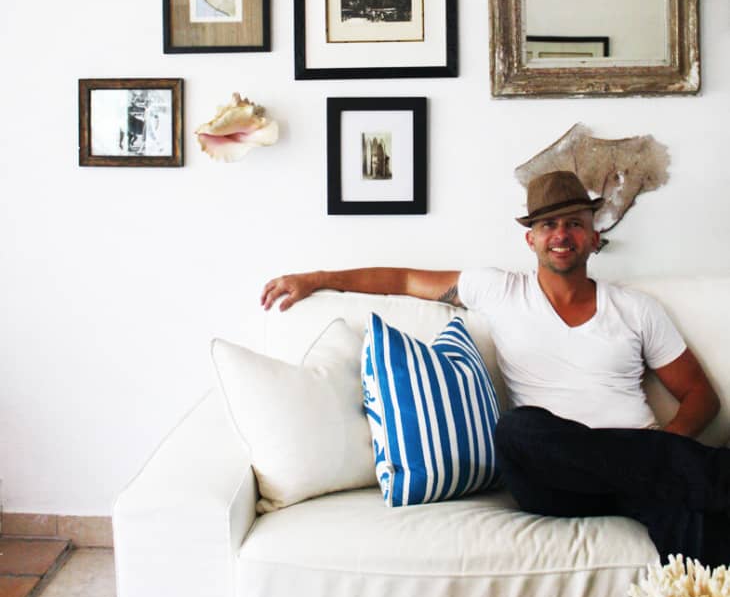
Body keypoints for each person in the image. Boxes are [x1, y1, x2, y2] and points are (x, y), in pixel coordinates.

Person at [261, 170, 728, 566]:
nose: (561, 234)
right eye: (548, 225)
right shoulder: (498, 290)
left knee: (697, 543)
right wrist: (318, 279)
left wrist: (663, 448)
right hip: (555, 478)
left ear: (594, 236)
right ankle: (691, 469)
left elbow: (701, 397)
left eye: (573, 223)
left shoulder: (637, 309)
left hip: (647, 471)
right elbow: (403, 279)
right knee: (517, 430)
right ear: (531, 239)